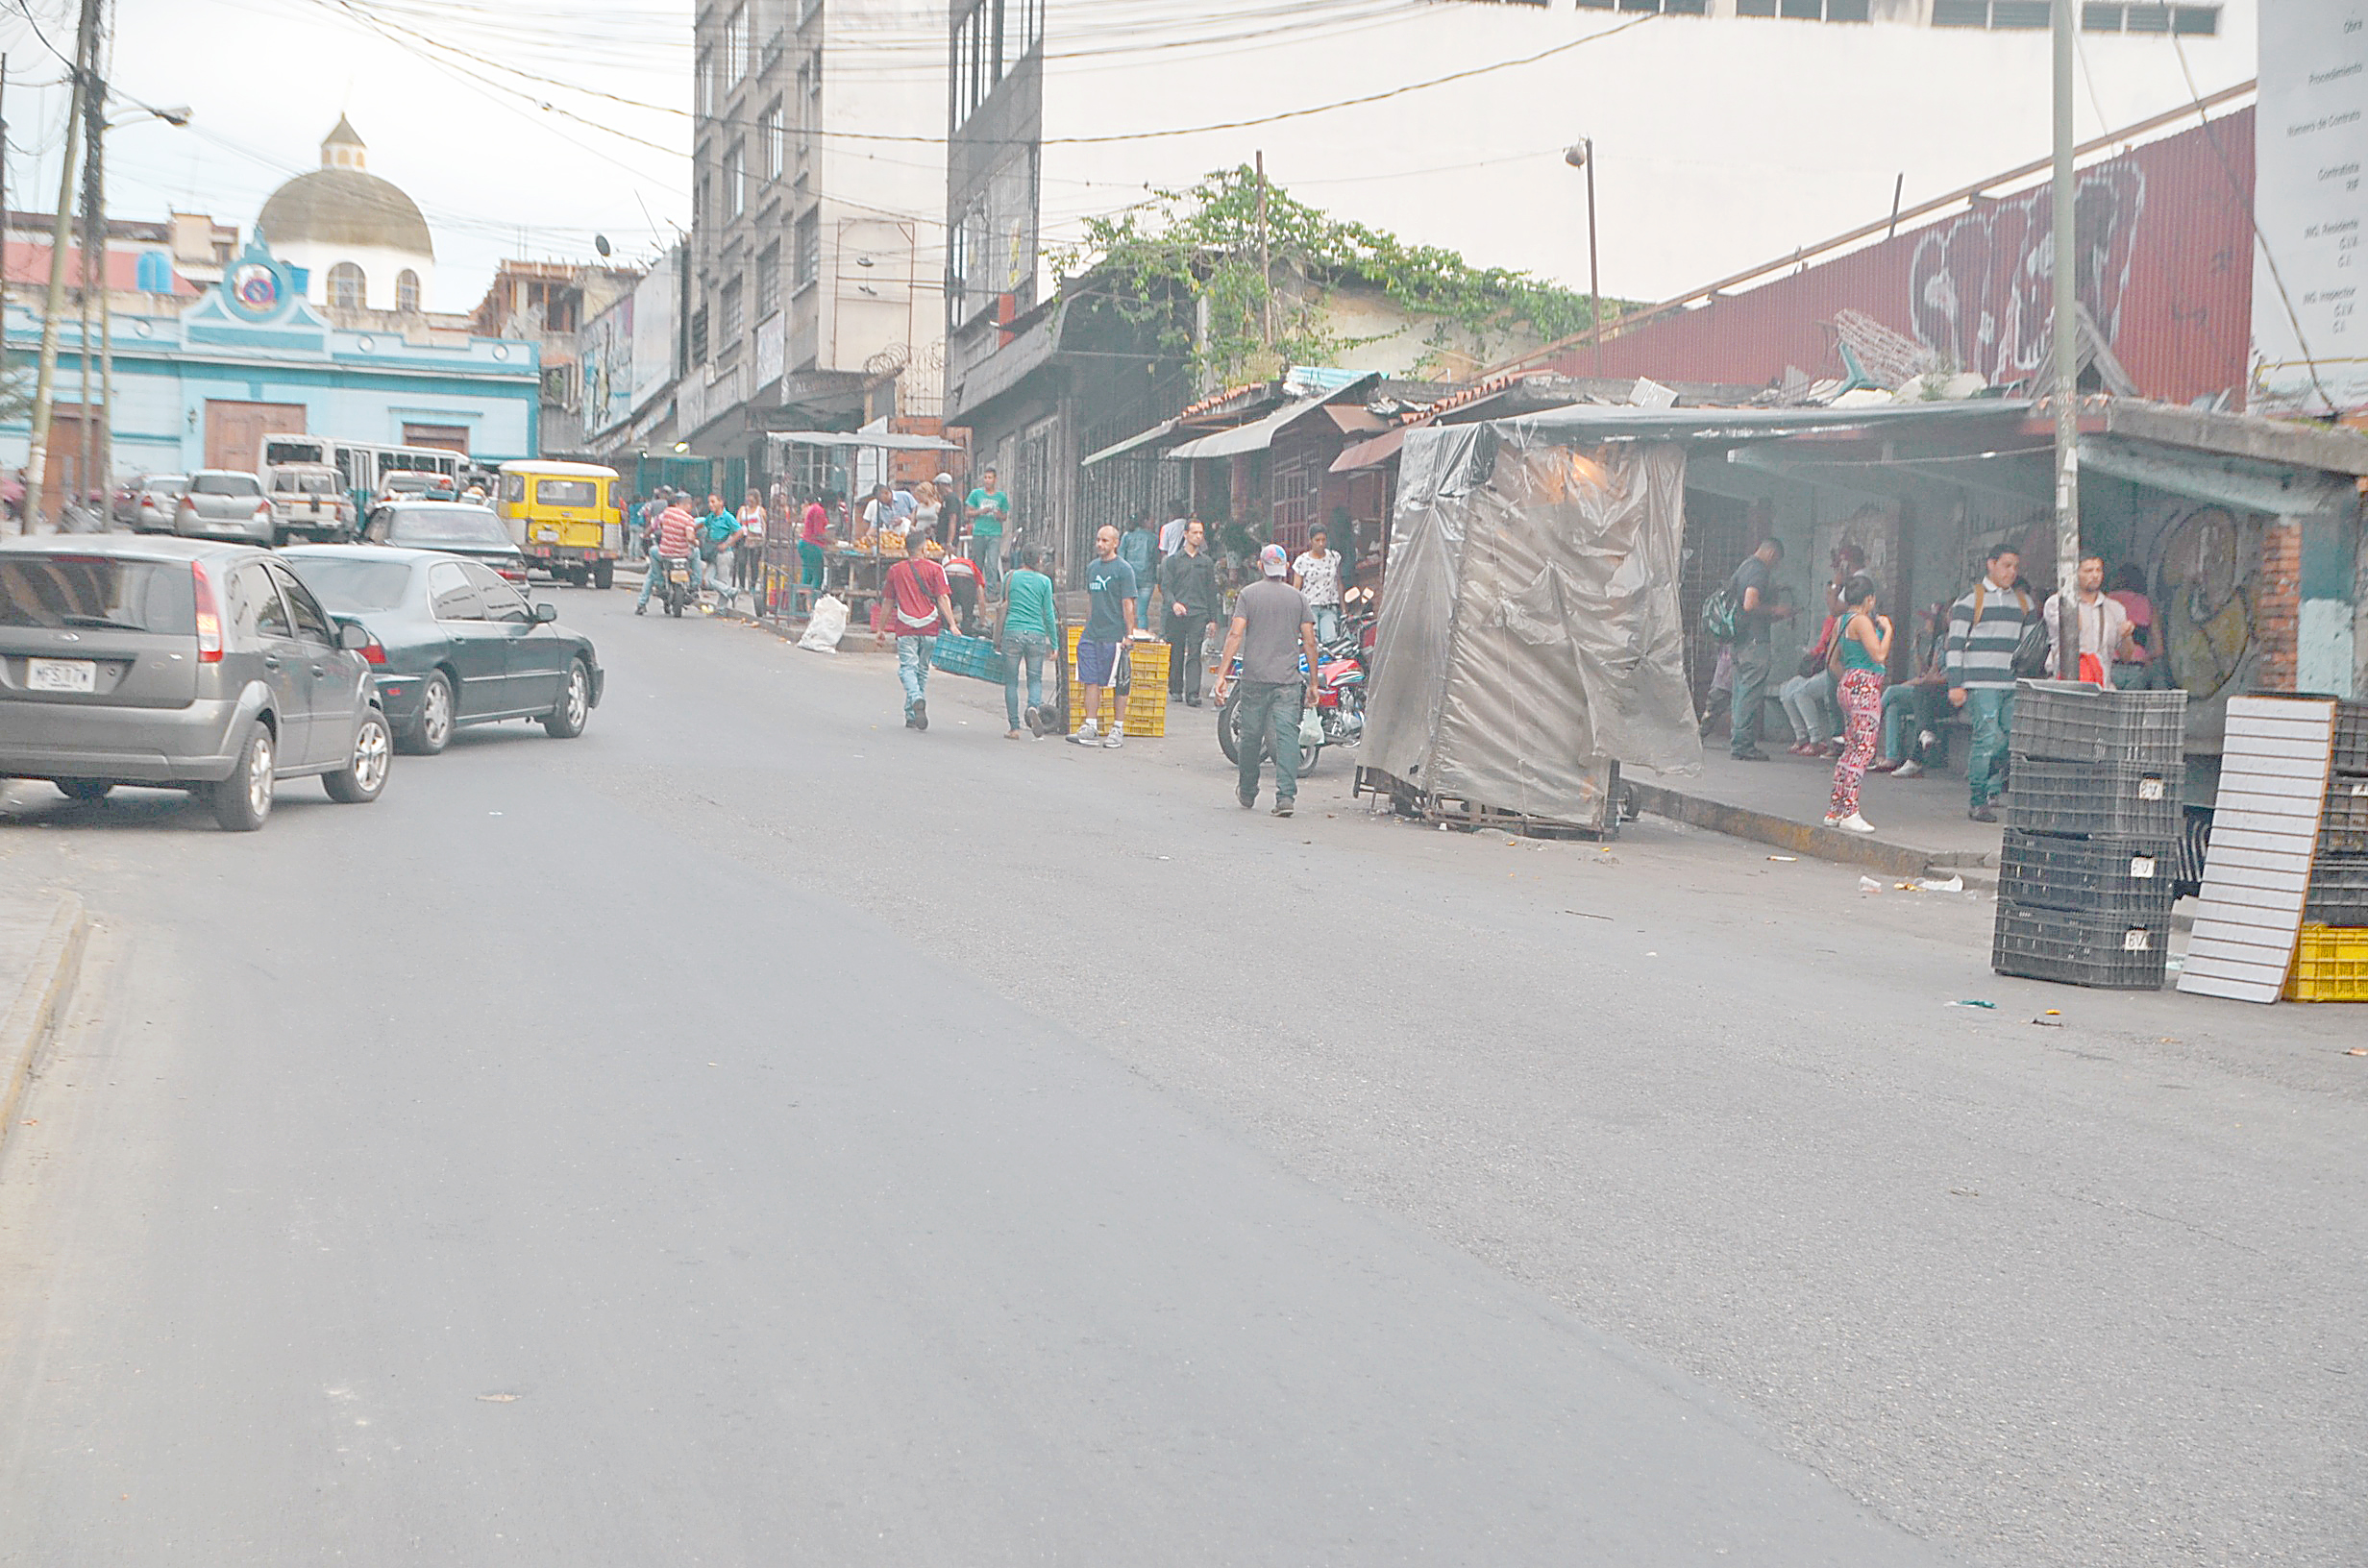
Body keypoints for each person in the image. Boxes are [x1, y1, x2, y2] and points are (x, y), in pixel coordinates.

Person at [1214, 544, 1318, 818]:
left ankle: (1248, 790)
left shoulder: (1248, 595)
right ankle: (1285, 797)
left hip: (1255, 678)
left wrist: (1222, 674)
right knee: (1286, 737)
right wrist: (1315, 683)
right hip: (1287, 681)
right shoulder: (1298, 599)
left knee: (1250, 737)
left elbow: (1235, 635)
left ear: (1260, 566)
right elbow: (1309, 641)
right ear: (1285, 567)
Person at [1946, 543, 2037, 822]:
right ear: (1991, 564)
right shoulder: (1970, 601)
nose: (2012, 571)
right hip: (1980, 682)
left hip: (2013, 683)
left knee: (2011, 740)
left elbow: (2031, 646)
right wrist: (1955, 684)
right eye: (2006, 565)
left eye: (2015, 567)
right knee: (1987, 738)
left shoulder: (2024, 603)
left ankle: (1990, 788)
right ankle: (1978, 799)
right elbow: (1955, 645)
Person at [1824, 574, 1891, 834]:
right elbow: (1879, 654)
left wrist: (1849, 681)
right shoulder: (1862, 620)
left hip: (1848, 684)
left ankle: (1836, 808)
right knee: (1863, 750)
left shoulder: (1841, 621)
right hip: (1865, 687)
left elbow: (1832, 662)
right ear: (1869, 599)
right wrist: (1888, 631)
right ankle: (1850, 810)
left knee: (1850, 749)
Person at [874, 528, 957, 730]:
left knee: (907, 669)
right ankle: (912, 714)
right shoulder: (936, 569)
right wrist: (953, 624)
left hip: (906, 627)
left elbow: (888, 601)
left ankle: (916, 698)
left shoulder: (896, 570)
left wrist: (881, 628)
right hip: (930, 627)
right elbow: (943, 598)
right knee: (921, 670)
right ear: (923, 548)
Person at [1069, 524, 1140, 750]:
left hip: (1115, 635)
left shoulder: (1124, 570)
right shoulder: (1092, 568)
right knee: (1091, 679)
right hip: (1092, 633)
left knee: (1119, 682)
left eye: (1105, 541)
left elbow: (1128, 603)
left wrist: (1129, 634)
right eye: (1098, 540)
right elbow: (1091, 600)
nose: (1100, 544)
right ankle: (1090, 725)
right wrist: (1087, 624)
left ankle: (1117, 728)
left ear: (1115, 543)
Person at [1725, 538, 1792, 761]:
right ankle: (1742, 744)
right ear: (1772, 554)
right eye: (1777, 561)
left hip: (1739, 640)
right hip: (1754, 641)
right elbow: (1750, 604)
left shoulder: (1744, 567)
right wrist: (1776, 610)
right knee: (1749, 693)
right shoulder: (1759, 571)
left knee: (1740, 691)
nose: (1775, 566)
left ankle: (1738, 739)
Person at [1874, 603, 1951, 778]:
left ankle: (1867, 723)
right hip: (1925, 691)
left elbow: (1946, 677)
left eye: (1929, 621)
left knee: (1893, 691)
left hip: (1941, 694)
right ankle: (1891, 757)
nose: (1925, 624)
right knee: (1894, 707)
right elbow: (1928, 673)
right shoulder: (1939, 641)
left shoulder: (1957, 641)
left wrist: (1918, 682)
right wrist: (1916, 648)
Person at [2044, 554, 2136, 687]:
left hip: (2102, 686)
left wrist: (2126, 636)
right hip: (2065, 686)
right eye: (2088, 571)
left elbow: (2126, 657)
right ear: (2074, 574)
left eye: (2098, 570)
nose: (2095, 575)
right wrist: (2071, 595)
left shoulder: (2115, 609)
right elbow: (2072, 631)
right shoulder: (2057, 603)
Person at [1000, 544, 1059, 739]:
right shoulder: (1044, 582)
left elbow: (1003, 602)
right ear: (1039, 560)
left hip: (1012, 632)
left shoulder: (1010, 577)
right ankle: (1033, 707)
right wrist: (1055, 643)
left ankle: (1014, 728)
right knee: (1034, 679)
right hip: (1036, 634)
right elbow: (1049, 614)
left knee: (1011, 682)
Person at [1159, 518, 1220, 706]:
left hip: (1199, 612)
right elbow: (1166, 587)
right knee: (1176, 651)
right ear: (1185, 535)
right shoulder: (1173, 561)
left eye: (1201, 533)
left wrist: (1213, 619)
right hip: (1177, 613)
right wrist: (1174, 604)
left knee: (1195, 652)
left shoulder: (1207, 562)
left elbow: (1211, 591)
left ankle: (1192, 693)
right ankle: (1175, 687)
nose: (1198, 536)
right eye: (1194, 533)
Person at [634, 493, 701, 615]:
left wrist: (645, 535)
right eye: (688, 505)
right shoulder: (688, 519)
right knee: (696, 553)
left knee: (653, 558)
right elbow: (690, 537)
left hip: (665, 554)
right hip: (683, 554)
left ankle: (655, 587)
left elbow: (653, 527)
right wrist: (696, 542)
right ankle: (695, 585)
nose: (690, 508)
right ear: (680, 505)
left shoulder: (665, 514)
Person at [2105, 562, 2159, 690]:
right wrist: (2145, 657)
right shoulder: (2149, 604)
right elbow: (2158, 649)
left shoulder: (2106, 601)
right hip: (2138, 668)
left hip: (2111, 666)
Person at [1291, 526, 1346, 646]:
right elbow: (1296, 589)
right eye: (1317, 540)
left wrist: (1343, 608)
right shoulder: (1302, 561)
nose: (1321, 544)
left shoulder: (1334, 557)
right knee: (1312, 643)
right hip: (1309, 608)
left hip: (1329, 607)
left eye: (1323, 540)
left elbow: (1338, 582)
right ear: (1310, 541)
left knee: (1330, 641)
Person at [966, 467, 1010, 596]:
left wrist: (998, 515)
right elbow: (968, 512)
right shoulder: (976, 494)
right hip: (979, 532)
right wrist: (980, 511)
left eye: (990, 478)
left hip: (994, 534)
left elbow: (1005, 516)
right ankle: (976, 591)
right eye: (985, 478)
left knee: (992, 563)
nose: (987, 480)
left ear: (995, 480)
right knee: (977, 563)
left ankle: (991, 591)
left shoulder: (1001, 496)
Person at [699, 493, 744, 613]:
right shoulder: (711, 517)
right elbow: (704, 526)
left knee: (723, 579)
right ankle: (731, 591)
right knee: (707, 580)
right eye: (709, 502)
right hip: (712, 552)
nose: (711, 505)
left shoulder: (727, 517)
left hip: (724, 553)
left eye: (713, 502)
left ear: (721, 503)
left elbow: (739, 531)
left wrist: (727, 544)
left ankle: (721, 608)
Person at [1119, 514, 1158, 634]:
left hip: (1129, 578)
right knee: (1142, 612)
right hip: (1147, 579)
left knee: (1126, 609)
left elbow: (1121, 557)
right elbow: (1155, 559)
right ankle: (1142, 640)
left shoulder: (1127, 536)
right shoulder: (1154, 538)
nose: (1153, 524)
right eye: (1151, 521)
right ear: (1145, 521)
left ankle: (1125, 635)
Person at [942, 549, 983, 637]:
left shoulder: (948, 564)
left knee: (946, 608)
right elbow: (981, 598)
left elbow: (941, 597)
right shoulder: (971, 564)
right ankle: (966, 633)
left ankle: (945, 629)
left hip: (947, 573)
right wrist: (983, 621)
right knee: (967, 614)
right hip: (966, 578)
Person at [800, 492, 830, 601]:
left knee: (807, 577)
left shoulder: (813, 509)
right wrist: (830, 540)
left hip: (805, 544)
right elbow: (818, 532)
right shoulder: (818, 510)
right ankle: (813, 605)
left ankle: (800, 604)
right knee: (818, 577)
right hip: (812, 545)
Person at [735, 488, 767, 595]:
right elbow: (737, 522)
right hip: (744, 537)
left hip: (756, 538)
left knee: (754, 562)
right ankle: (742, 585)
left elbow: (764, 523)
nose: (749, 500)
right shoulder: (742, 510)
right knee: (742, 561)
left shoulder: (760, 510)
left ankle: (753, 585)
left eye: (751, 498)